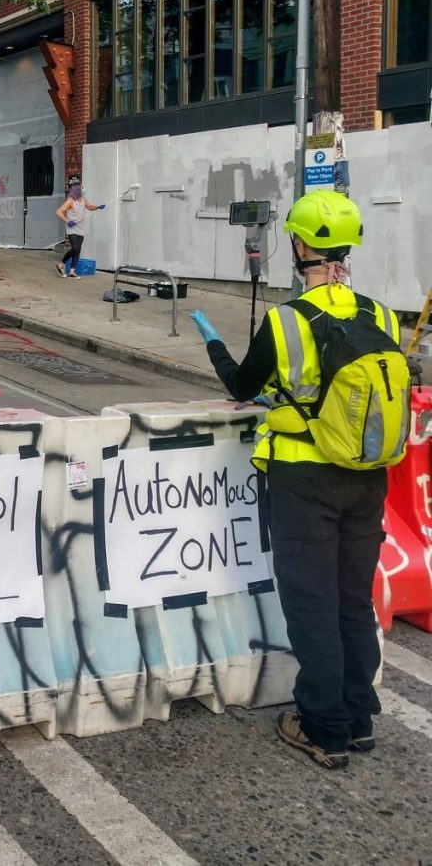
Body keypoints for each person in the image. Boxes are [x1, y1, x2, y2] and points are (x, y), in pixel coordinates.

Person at [189, 191, 401, 771]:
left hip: (304, 477)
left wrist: (213, 343)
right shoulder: (379, 313)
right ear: (347, 247)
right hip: (366, 476)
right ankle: (357, 720)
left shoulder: (286, 320)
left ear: (300, 244)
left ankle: (323, 728)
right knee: (352, 601)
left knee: (311, 604)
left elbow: (242, 386)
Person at [55, 182, 104, 279]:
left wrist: (98, 207)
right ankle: (61, 264)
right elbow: (58, 212)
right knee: (75, 249)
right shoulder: (70, 201)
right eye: (82, 188)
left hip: (81, 228)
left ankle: (72, 272)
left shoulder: (83, 200)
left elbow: (89, 207)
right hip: (72, 228)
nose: (83, 189)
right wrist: (67, 221)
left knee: (78, 251)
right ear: (77, 189)